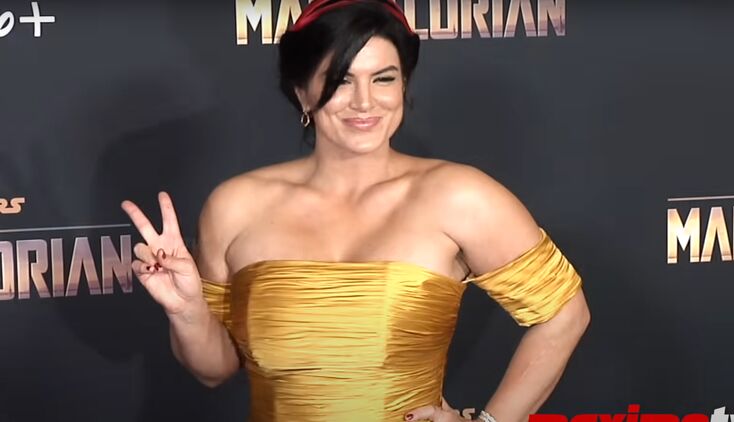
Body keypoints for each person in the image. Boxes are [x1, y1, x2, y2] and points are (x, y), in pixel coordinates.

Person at [120, 0, 591, 421]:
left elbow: (565, 314)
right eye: (340, 81)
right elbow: (215, 369)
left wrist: (490, 421)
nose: (365, 102)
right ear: (303, 92)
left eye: (383, 78)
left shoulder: (459, 196)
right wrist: (187, 310)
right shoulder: (235, 206)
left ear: (403, 85)